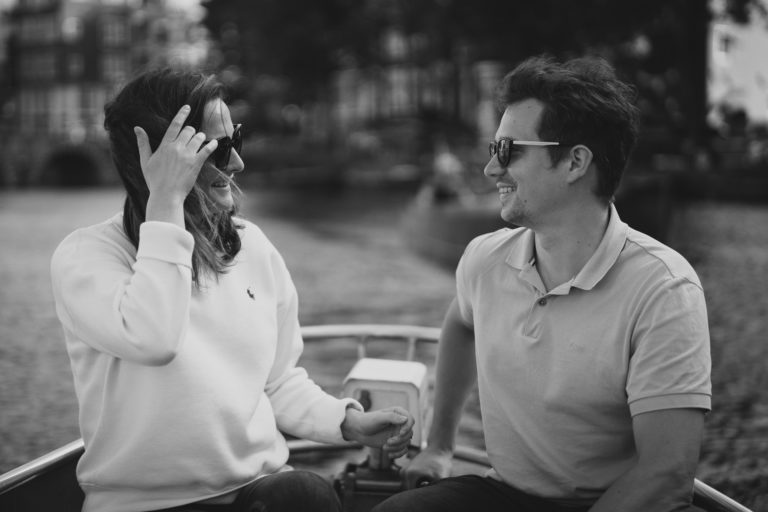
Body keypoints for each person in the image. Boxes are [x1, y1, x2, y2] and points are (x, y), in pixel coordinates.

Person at [50, 68, 414, 512]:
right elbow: (154, 338)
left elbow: (276, 382)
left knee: (305, 493)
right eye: (219, 148)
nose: (238, 163)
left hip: (257, 493)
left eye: (235, 139)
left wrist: (348, 421)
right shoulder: (87, 257)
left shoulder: (252, 246)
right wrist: (165, 202)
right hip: (143, 505)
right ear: (162, 159)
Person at [374, 55, 711, 512]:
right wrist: (439, 446)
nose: (491, 169)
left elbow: (666, 475)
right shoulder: (484, 261)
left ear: (575, 162)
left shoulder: (664, 290)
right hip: (506, 493)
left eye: (508, 150)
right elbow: (460, 323)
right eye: (493, 149)